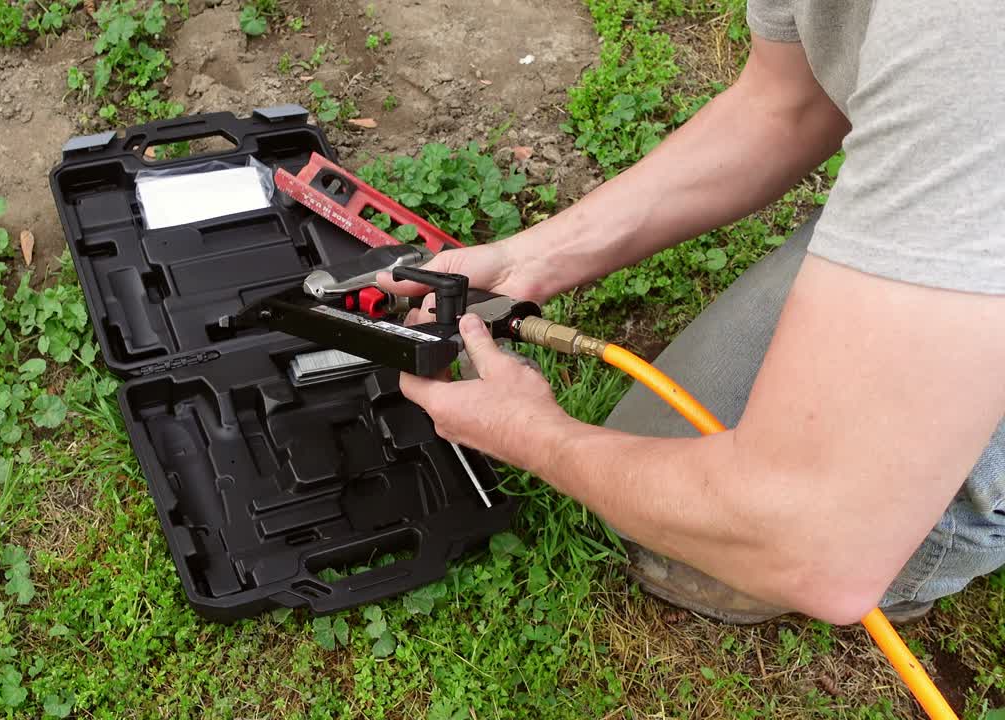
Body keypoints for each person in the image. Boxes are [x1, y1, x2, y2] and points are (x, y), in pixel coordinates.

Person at [378, 0, 1005, 625]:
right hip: (971, 180)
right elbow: (788, 101)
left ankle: (949, 532)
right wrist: (525, 262)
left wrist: (531, 435)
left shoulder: (964, 33)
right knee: (663, 459)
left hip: (979, 160)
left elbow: (809, 544)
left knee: (716, 540)